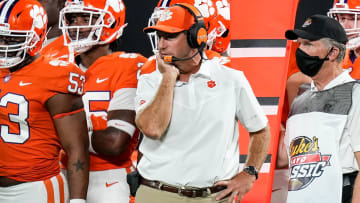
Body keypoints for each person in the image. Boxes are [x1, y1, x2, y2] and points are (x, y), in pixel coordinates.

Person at [135, 3, 271, 203]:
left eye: (170, 36)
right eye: (159, 36)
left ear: (195, 37)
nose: (161, 44)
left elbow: (260, 130)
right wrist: (168, 78)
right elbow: (153, 128)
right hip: (157, 194)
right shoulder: (150, 79)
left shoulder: (231, 78)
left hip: (214, 197)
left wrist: (249, 174)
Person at [0, 0, 89, 202]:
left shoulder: (56, 75)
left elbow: (76, 147)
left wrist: (77, 200)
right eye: (0, 38)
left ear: (35, 38)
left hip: (35, 189)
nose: (3, 46)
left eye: (11, 39)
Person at [58, 0, 147, 202]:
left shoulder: (128, 65)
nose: (75, 26)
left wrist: (64, 134)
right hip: (60, 173)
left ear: (111, 22)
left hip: (110, 179)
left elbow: (114, 143)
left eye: (86, 18)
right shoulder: (58, 66)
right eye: (72, 19)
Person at [279, 14, 360, 203]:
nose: (300, 51)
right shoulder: (300, 100)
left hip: (342, 193)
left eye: (308, 44)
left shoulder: (354, 94)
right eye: (299, 44)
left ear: (332, 53)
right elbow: (287, 159)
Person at [140, 0, 231, 76]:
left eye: (172, 34)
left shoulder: (223, 69)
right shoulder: (151, 67)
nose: (161, 44)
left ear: (200, 31)